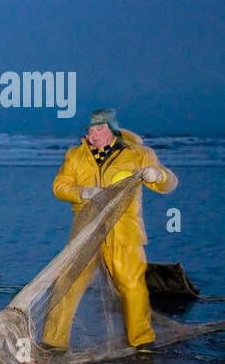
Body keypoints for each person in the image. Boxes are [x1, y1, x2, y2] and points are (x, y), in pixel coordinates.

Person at [42, 109, 177, 351]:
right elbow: (59, 186)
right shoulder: (75, 155)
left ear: (112, 130)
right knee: (67, 282)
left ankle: (142, 341)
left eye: (99, 129)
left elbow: (168, 183)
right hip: (86, 231)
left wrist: (158, 175)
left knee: (132, 285)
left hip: (125, 232)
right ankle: (53, 342)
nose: (92, 134)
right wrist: (82, 192)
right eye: (90, 129)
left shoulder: (139, 155)